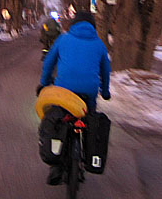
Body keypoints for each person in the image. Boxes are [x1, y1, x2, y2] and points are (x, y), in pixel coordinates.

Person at [37, 11, 111, 186]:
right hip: (89, 93)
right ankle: (87, 155)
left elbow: (49, 62)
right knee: (89, 120)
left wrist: (44, 83)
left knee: (57, 120)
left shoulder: (63, 39)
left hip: (64, 91)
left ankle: (55, 166)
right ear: (93, 26)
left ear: (73, 24)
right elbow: (106, 71)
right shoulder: (99, 45)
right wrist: (105, 91)